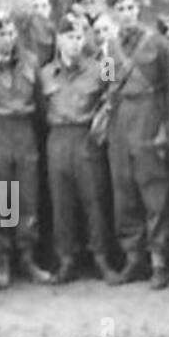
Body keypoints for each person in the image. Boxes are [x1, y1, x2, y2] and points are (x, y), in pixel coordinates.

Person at [101, 0, 169, 287]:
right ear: (113, 13)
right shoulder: (109, 47)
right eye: (121, 9)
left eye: (131, 8)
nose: (127, 14)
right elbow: (107, 83)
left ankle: (160, 261)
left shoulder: (157, 43)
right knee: (124, 190)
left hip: (148, 116)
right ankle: (134, 257)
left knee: (153, 191)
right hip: (120, 118)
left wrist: (164, 129)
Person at [0, 9, 50, 288]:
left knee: (28, 197)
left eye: (11, 33)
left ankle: (27, 257)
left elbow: (41, 102)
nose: (8, 38)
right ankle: (2, 260)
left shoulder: (30, 61)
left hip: (24, 130)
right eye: (2, 33)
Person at [39, 15, 119, 283]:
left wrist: (101, 119)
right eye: (70, 37)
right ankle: (66, 259)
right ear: (59, 39)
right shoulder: (46, 72)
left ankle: (101, 258)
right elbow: (40, 109)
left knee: (94, 199)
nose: (75, 43)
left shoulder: (101, 66)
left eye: (79, 37)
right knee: (61, 202)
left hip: (86, 138)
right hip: (58, 139)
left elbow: (113, 94)